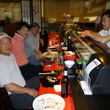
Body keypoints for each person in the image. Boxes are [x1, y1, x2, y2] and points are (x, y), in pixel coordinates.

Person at [0, 33, 41, 109]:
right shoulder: (1, 63)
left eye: (9, 42)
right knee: (41, 100)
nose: (7, 45)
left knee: (42, 78)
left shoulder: (10, 55)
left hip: (23, 84)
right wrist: (28, 91)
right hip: (15, 96)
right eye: (3, 43)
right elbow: (9, 87)